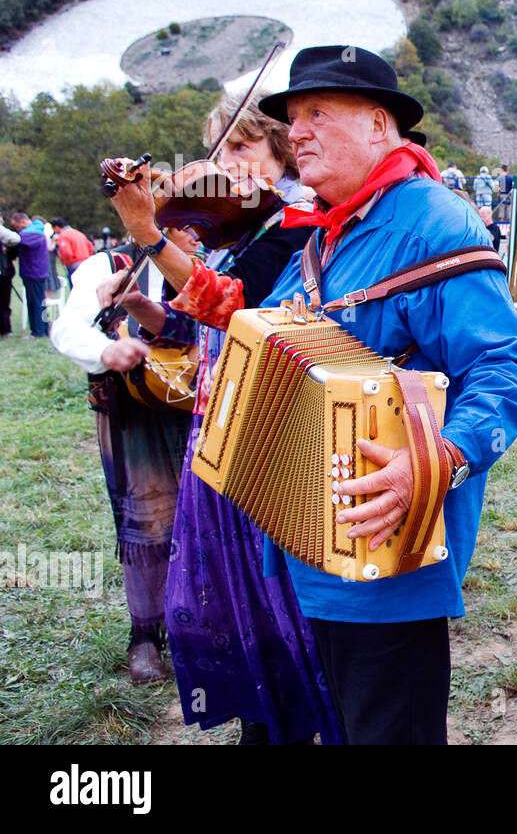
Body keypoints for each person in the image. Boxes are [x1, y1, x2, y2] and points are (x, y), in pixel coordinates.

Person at [252, 44, 517, 744]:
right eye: (292, 118)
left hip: (385, 564)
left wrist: (439, 456)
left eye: (318, 113)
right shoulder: (323, 239)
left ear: (381, 126)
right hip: (307, 546)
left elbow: (507, 371)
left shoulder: (432, 224)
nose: (298, 132)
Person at [106, 96, 340, 745]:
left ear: (280, 153)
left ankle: (290, 720)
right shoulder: (241, 231)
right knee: (233, 600)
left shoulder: (298, 219)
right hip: (219, 430)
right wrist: (151, 311)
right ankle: (261, 715)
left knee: (274, 598)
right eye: (218, 148)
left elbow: (244, 310)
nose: (224, 164)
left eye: (241, 148)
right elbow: (201, 325)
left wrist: (151, 235)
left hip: (266, 437)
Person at [50, 239, 192, 683]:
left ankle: (209, 625)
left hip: (206, 403)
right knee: (147, 519)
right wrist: (106, 351)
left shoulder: (216, 254)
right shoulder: (109, 264)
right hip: (133, 410)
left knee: (213, 512)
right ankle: (145, 635)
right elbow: (68, 329)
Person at [8, 211, 53, 336]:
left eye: (17, 227)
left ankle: (37, 332)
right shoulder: (38, 229)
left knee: (35, 303)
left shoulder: (31, 233)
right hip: (38, 271)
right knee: (40, 302)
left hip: (33, 272)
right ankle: (44, 329)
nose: (18, 230)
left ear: (23, 221)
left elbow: (16, 240)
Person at [0, 219, 17, 336]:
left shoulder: (5, 240)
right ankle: (5, 329)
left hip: (4, 273)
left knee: (4, 303)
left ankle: (5, 329)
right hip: (4, 272)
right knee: (4, 303)